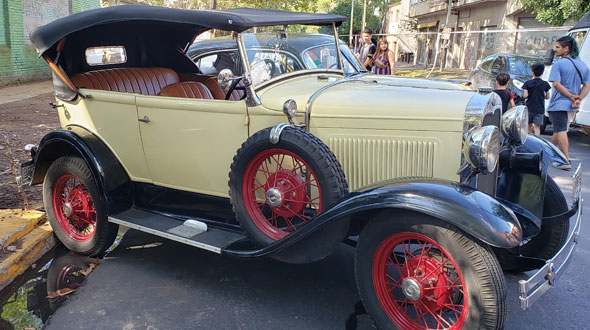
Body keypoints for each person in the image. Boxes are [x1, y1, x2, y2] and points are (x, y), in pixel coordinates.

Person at [547, 35, 590, 170]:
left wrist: (570, 96)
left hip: (559, 103)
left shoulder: (559, 64)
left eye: (558, 47)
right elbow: (587, 85)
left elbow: (556, 84)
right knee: (560, 130)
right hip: (572, 106)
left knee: (561, 130)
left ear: (566, 49)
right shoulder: (582, 64)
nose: (555, 50)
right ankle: (549, 154)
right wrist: (578, 98)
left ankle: (565, 159)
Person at [523, 62, 551, 136]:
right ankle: (537, 140)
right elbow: (548, 97)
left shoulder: (528, 83)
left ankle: (528, 140)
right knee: (537, 127)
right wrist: (542, 96)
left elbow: (525, 95)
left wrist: (529, 94)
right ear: (542, 73)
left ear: (532, 72)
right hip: (540, 108)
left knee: (528, 125)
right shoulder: (545, 84)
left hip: (529, 107)